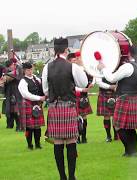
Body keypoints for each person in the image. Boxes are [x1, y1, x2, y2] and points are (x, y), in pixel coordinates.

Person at [42, 38, 88, 180]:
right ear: (66, 50)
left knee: (58, 142)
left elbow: (45, 90)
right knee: (71, 142)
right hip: (68, 106)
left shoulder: (46, 67)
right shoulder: (72, 67)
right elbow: (84, 82)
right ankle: (72, 176)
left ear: (55, 50)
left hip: (54, 108)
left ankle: (62, 177)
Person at [97, 45, 137, 157]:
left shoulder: (128, 66)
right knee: (130, 127)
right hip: (135, 97)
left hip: (125, 98)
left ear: (129, 53)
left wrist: (103, 68)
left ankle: (129, 150)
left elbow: (111, 78)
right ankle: (132, 152)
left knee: (118, 126)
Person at [67, 52, 94, 144]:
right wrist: (83, 89)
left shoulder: (81, 70)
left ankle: (84, 137)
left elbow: (91, 78)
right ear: (69, 61)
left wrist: (90, 85)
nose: (75, 62)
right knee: (75, 117)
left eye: (76, 60)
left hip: (83, 95)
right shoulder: (68, 72)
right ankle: (77, 137)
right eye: (73, 61)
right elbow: (70, 86)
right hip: (73, 95)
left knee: (84, 116)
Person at [18, 62, 46, 150]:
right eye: (27, 70)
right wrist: (39, 98)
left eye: (31, 69)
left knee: (37, 127)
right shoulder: (22, 81)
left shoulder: (36, 79)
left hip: (37, 104)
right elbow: (26, 95)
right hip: (28, 104)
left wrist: (43, 97)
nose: (30, 71)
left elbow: (42, 88)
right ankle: (30, 145)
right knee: (29, 127)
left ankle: (38, 144)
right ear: (24, 71)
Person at [3, 58, 23, 131]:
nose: (10, 67)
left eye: (11, 65)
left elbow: (16, 74)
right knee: (10, 111)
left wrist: (6, 76)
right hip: (9, 92)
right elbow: (4, 80)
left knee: (17, 111)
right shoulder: (6, 71)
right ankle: (10, 125)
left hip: (17, 92)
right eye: (9, 67)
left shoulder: (19, 69)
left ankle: (19, 126)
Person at [96, 76, 118, 142]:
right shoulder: (100, 70)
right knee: (106, 116)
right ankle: (108, 136)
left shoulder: (116, 68)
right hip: (104, 94)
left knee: (115, 116)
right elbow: (99, 82)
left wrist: (117, 86)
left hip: (115, 93)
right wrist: (110, 87)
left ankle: (116, 135)